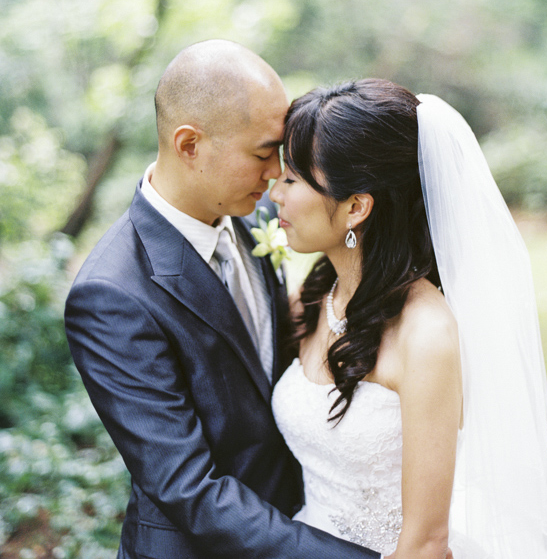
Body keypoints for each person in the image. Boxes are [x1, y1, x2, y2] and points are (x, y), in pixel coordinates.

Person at [64, 41, 381, 558]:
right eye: (262, 153)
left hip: (304, 515)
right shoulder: (111, 294)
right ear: (189, 145)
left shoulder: (256, 220)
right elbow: (189, 488)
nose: (278, 173)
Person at [270, 78, 547, 559]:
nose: (274, 194)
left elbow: (426, 545)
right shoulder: (313, 298)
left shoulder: (425, 335)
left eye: (291, 179)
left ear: (355, 207)